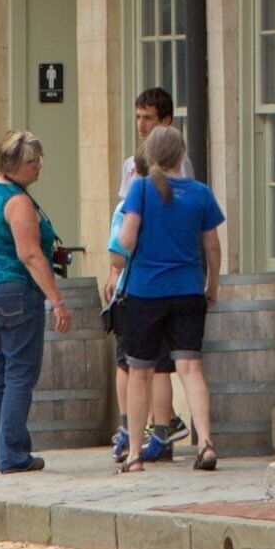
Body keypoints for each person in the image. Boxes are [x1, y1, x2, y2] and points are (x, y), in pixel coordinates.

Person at [105, 124, 225, 472]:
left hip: (147, 291)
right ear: (182, 154)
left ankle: (135, 455)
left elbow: (126, 240)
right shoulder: (201, 193)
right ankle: (205, 443)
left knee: (140, 371)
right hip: (188, 289)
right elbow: (213, 247)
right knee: (190, 368)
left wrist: (115, 265)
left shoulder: (141, 189)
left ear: (149, 155)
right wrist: (211, 285)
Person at [0, 129, 73, 474]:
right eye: (31, 161)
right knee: (19, 375)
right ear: (12, 165)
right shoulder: (19, 202)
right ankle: (13, 453)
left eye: (40, 158)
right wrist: (56, 300)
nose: (39, 165)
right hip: (13, 293)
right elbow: (30, 255)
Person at [113, 88, 180, 461]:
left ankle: (161, 433)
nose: (141, 124)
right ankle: (138, 431)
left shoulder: (178, 167)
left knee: (160, 365)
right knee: (137, 362)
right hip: (139, 276)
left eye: (148, 118)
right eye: (137, 116)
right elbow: (124, 218)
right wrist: (115, 268)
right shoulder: (131, 165)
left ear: (166, 120)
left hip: (162, 275)